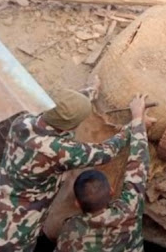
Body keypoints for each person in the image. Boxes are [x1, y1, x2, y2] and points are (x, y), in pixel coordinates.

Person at [0, 78, 134, 252]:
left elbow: (61, 112)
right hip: (11, 242)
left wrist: (89, 92)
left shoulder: (23, 122)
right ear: (69, 126)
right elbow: (105, 153)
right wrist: (132, 128)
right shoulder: (57, 151)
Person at [55, 94, 153, 252]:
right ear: (112, 191)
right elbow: (139, 164)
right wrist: (137, 120)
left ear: (77, 204)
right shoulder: (128, 211)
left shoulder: (70, 231)